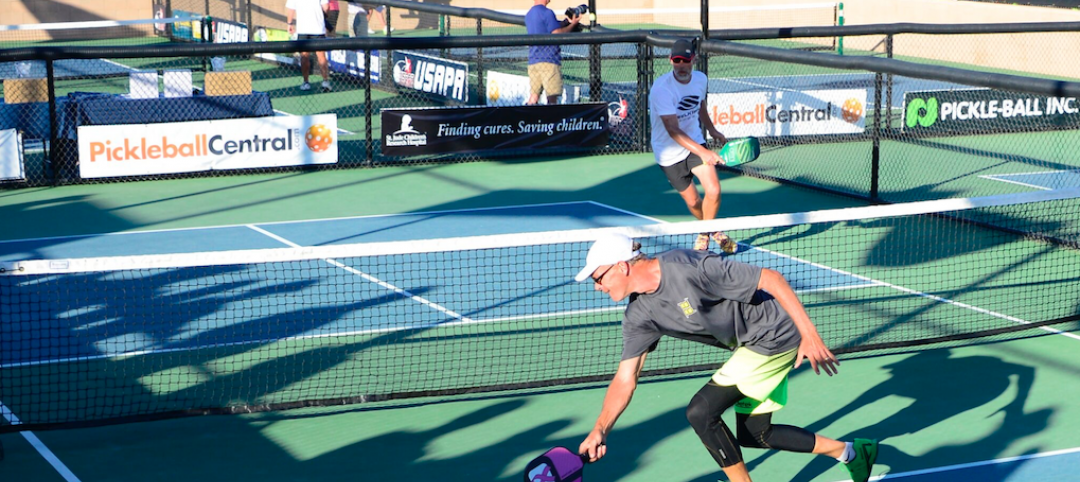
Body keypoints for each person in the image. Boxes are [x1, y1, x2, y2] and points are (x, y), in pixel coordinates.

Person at [574, 232, 878, 482]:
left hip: (772, 335)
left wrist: (810, 335)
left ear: (621, 266)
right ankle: (851, 452)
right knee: (756, 434)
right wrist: (600, 428)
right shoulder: (639, 314)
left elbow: (770, 279)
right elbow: (626, 378)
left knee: (700, 412)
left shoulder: (689, 267)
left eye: (598, 278)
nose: (598, 287)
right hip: (749, 345)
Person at [651, 38, 736, 253]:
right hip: (668, 152)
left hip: (694, 140)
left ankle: (704, 234)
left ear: (694, 60)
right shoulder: (662, 89)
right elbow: (673, 130)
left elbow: (700, 106)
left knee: (714, 190)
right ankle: (713, 230)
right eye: (677, 61)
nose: (681, 65)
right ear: (671, 61)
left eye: (685, 61)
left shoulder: (700, 79)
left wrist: (713, 130)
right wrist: (705, 152)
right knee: (693, 201)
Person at [524, 0, 581, 105]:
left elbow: (545, 28)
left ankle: (528, 119)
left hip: (533, 61)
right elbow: (557, 34)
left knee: (533, 97)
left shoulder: (529, 14)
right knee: (552, 99)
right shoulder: (547, 13)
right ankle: (552, 120)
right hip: (549, 61)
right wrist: (573, 24)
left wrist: (565, 23)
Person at [286, 0, 333, 92]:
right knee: (321, 55)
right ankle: (325, 82)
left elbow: (290, 7)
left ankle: (306, 82)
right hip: (318, 28)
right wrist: (322, 17)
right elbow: (326, 7)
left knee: (304, 55)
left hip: (303, 29)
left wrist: (289, 23)